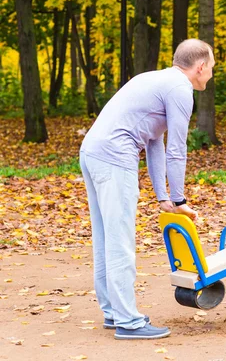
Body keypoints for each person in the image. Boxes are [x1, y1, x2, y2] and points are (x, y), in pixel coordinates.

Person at [79, 39, 214, 339]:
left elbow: (155, 143)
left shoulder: (156, 80)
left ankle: (114, 313)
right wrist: (180, 199)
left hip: (92, 151)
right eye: (212, 68)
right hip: (114, 156)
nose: (211, 74)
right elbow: (177, 150)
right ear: (200, 66)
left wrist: (164, 197)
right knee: (120, 240)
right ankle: (128, 321)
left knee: (106, 237)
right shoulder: (181, 89)